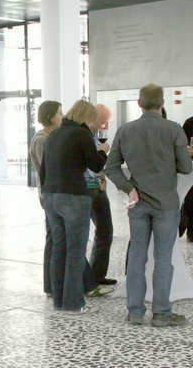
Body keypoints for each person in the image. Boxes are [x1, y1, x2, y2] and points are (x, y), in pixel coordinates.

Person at [106, 84, 192, 327]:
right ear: (162, 103)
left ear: (139, 104)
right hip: (166, 203)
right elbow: (186, 168)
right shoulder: (174, 129)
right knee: (163, 258)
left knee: (136, 256)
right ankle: (162, 313)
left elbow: (111, 167)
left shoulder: (125, 130)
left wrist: (129, 188)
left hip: (138, 203)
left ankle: (135, 312)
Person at [40, 99, 109, 313]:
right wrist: (104, 150)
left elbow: (43, 170)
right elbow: (95, 165)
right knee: (75, 252)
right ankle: (73, 303)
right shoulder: (82, 134)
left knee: (59, 250)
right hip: (73, 198)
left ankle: (59, 301)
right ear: (87, 117)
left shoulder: (54, 135)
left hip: (51, 197)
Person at [29, 101, 63, 295]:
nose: (63, 116)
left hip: (52, 192)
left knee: (54, 237)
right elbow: (47, 167)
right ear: (50, 117)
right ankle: (50, 285)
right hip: (49, 194)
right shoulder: (42, 139)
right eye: (59, 113)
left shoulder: (51, 137)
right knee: (52, 238)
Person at [84, 104, 116, 285]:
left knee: (105, 231)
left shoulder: (93, 136)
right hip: (88, 191)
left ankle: (97, 275)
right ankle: (89, 279)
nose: (106, 127)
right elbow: (90, 165)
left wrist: (102, 178)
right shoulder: (84, 136)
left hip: (97, 188)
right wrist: (103, 151)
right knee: (89, 235)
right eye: (104, 122)